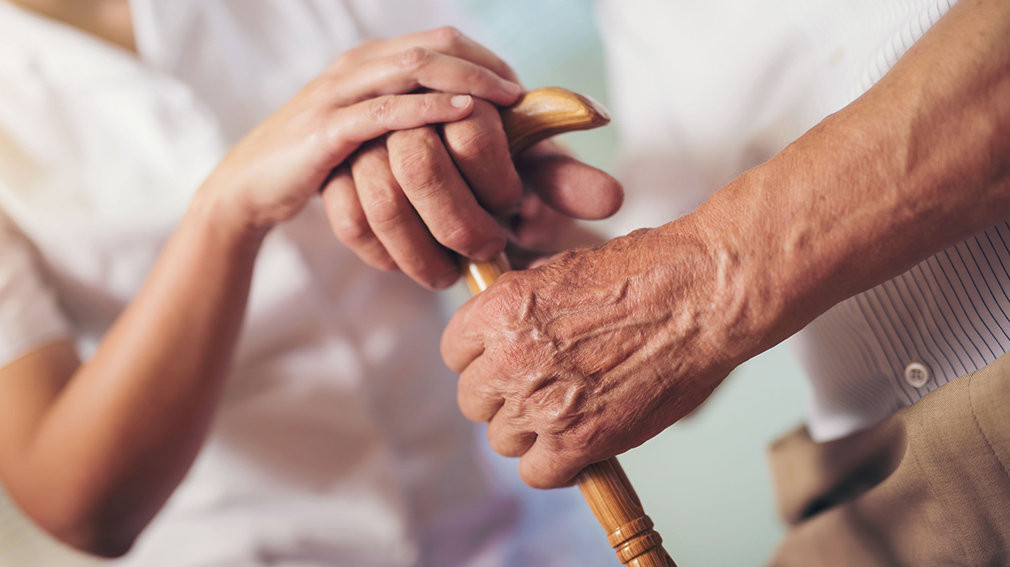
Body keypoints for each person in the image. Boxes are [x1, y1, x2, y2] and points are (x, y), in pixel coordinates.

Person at [0, 0, 622, 565]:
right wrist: (228, 209)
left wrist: (511, 204)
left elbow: (547, 250)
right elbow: (80, 509)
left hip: (530, 536)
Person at [442, 0, 1010, 564]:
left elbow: (683, 286)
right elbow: (651, 303)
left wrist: (707, 284)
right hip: (865, 490)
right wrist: (549, 251)